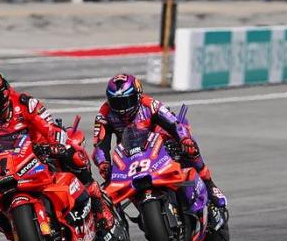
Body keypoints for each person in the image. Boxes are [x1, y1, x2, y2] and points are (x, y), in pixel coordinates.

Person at [0, 70, 114, 241]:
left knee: (73, 155)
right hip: (11, 161)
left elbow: (47, 126)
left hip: (41, 149)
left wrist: (54, 143)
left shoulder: (24, 103)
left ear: (3, 94)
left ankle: (98, 203)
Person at [91, 74, 226, 208]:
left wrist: (184, 139)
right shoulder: (104, 115)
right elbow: (99, 145)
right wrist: (103, 163)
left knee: (190, 146)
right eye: (116, 103)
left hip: (160, 144)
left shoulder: (150, 105)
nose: (122, 109)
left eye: (127, 101)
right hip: (130, 153)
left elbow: (174, 124)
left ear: (138, 95)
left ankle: (209, 185)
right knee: (106, 189)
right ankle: (120, 222)